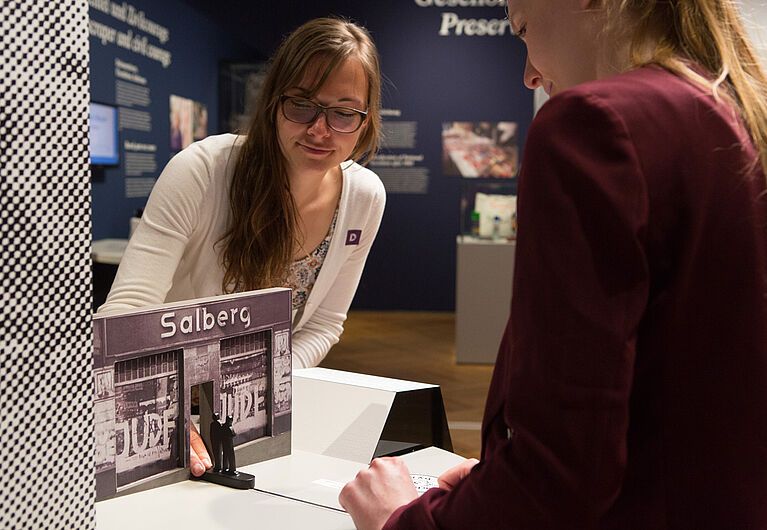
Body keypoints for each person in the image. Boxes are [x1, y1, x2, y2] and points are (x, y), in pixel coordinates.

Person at [340, 0, 767, 528]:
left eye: (523, 30)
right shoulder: (741, 116)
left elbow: (559, 473)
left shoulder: (595, 124)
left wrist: (403, 519)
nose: (529, 74)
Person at [98, 17, 386, 476]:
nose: (320, 129)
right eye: (301, 105)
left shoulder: (365, 197)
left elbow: (325, 324)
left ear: (366, 120)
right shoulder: (202, 170)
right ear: (274, 101)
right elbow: (126, 313)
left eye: (344, 113)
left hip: (257, 410)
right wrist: (166, 417)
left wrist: (268, 380)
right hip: (167, 407)